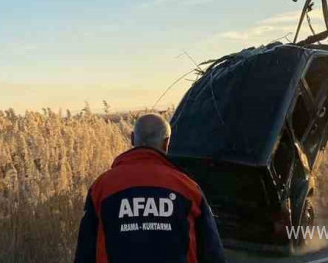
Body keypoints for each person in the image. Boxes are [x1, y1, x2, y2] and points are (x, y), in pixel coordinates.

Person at [73, 113, 227, 263]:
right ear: (166, 143)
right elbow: (213, 254)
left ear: (133, 138)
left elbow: (85, 253)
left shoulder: (102, 187)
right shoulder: (188, 188)